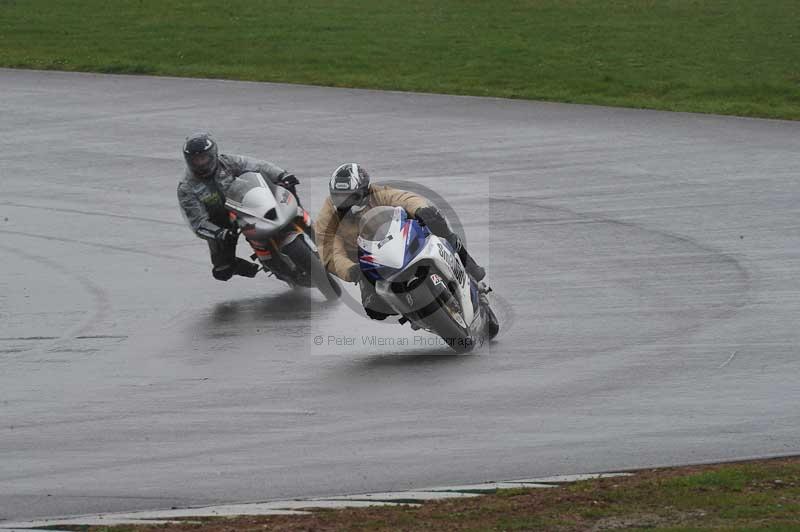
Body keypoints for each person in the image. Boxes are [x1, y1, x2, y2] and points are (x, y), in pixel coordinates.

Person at [316, 162, 485, 320]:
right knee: (374, 310)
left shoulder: (378, 195)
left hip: (399, 243)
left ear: (365, 192)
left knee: (437, 223)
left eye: (350, 198)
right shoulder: (329, 215)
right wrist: (351, 270)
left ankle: (472, 271)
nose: (343, 204)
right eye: (338, 198)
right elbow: (329, 249)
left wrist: (421, 209)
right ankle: (412, 313)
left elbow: (403, 198)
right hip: (367, 262)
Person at [177, 131, 301, 281]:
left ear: (212, 154)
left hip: (247, 202)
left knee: (286, 191)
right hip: (220, 221)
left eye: (203, 157)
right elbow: (198, 222)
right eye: (196, 160)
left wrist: (282, 175)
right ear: (189, 161)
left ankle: (302, 219)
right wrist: (219, 233)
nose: (201, 163)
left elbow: (258, 166)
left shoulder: (227, 161)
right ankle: (264, 264)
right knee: (222, 271)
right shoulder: (186, 187)